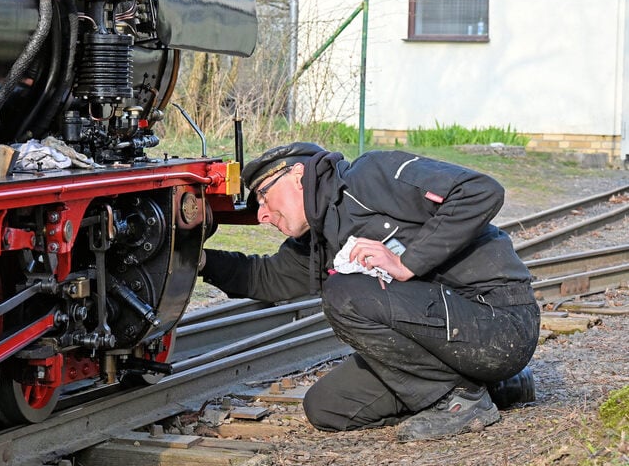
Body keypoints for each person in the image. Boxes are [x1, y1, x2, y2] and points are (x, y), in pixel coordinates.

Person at [199, 142, 540, 441]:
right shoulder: (320, 238)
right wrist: (195, 260)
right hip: (455, 343)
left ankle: (460, 402)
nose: (261, 214)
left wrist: (407, 262)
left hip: (499, 320)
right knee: (327, 408)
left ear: (298, 175)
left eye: (263, 195)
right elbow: (266, 278)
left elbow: (480, 190)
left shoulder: (370, 176)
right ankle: (498, 386)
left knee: (342, 294)